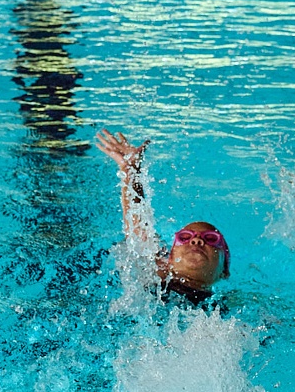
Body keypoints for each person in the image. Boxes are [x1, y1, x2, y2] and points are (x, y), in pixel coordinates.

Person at [95, 130, 230, 307]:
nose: (196, 240)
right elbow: (138, 228)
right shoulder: (158, 270)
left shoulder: (226, 306)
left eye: (211, 239)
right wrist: (130, 169)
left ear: (224, 270)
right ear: (169, 259)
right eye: (185, 237)